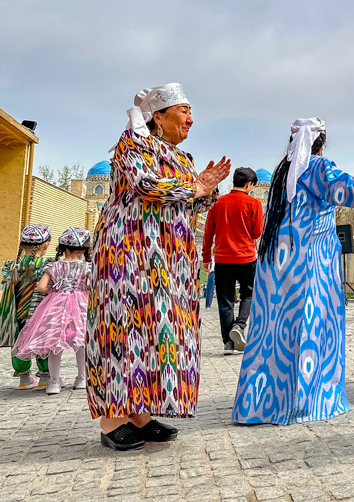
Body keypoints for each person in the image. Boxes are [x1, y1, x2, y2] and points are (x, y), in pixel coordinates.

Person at [233, 118, 354, 425]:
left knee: (275, 334)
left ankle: (263, 402)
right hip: (310, 265)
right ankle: (309, 400)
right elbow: (350, 190)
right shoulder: (315, 167)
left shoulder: (283, 173)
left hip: (278, 266)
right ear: (322, 141)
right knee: (311, 327)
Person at [86, 83, 231, 451]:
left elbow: (189, 206)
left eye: (190, 112)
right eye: (183, 111)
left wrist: (206, 192)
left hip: (168, 261)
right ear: (158, 116)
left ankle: (141, 413)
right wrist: (195, 189)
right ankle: (112, 418)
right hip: (128, 253)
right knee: (123, 326)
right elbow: (147, 185)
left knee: (157, 330)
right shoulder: (132, 143)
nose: (190, 119)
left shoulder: (184, 159)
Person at [13, 228, 92, 395]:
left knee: (54, 345)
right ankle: (81, 379)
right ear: (85, 249)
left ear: (62, 248)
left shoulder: (54, 266)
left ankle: (53, 382)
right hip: (82, 306)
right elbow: (94, 286)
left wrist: (55, 291)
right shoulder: (88, 267)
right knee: (81, 342)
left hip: (56, 306)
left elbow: (41, 287)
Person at [203, 167, 264, 353]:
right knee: (249, 294)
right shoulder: (254, 204)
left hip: (222, 259)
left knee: (225, 301)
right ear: (248, 185)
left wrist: (206, 257)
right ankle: (239, 326)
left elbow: (208, 233)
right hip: (246, 258)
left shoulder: (217, 204)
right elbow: (257, 232)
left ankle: (228, 343)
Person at [0, 225, 52, 390]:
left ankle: (24, 379)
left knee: (18, 342)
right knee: (43, 342)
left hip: (17, 312)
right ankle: (45, 377)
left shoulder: (12, 266)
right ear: (46, 245)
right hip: (39, 312)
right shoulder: (46, 265)